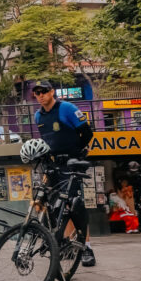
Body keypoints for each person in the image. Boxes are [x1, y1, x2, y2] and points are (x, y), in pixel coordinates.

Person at [32, 80, 97, 266]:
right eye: (37, 93)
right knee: (57, 206)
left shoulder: (66, 108)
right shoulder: (38, 116)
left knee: (74, 204)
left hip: (70, 164)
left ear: (52, 92)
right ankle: (67, 244)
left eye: (44, 91)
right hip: (53, 165)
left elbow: (87, 133)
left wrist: (76, 154)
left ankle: (86, 247)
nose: (41, 95)